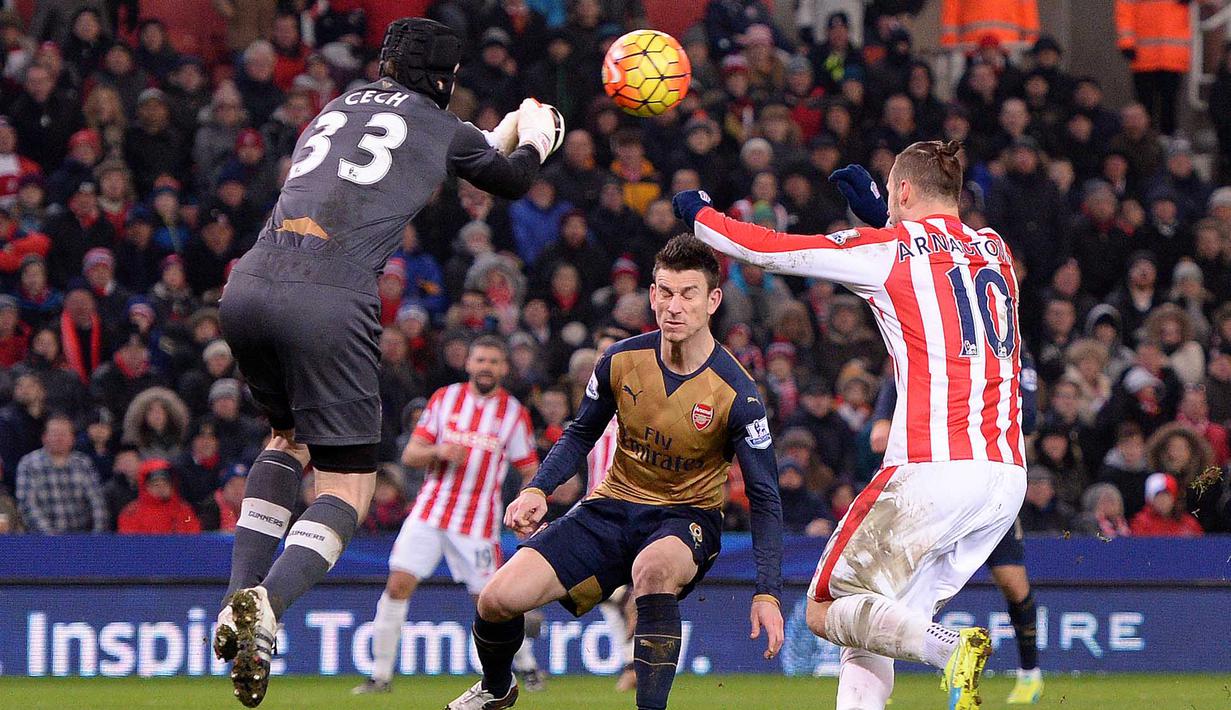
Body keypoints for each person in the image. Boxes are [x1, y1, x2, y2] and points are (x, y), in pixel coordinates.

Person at [212, 17, 563, 708]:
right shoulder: (446, 127)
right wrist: (537, 135)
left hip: (248, 283)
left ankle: (235, 602)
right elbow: (506, 178)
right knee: (347, 489)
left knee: (285, 439)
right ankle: (268, 606)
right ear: (446, 78)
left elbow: (407, 159)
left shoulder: (335, 107)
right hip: (329, 297)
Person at [675, 139, 1026, 710]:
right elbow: (940, 258)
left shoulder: (889, 247)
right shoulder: (996, 249)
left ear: (905, 191)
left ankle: (948, 649)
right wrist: (884, 215)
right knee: (873, 621)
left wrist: (702, 218)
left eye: (892, 193)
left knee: (825, 607)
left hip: (931, 469)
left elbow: (775, 250)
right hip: (1004, 477)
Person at [444, 236, 785, 710]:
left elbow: (766, 499)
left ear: (713, 301)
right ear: (651, 295)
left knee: (652, 570)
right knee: (496, 600)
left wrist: (767, 591)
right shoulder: (619, 360)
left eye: (688, 294)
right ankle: (497, 689)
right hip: (611, 507)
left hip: (685, 518)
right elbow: (581, 433)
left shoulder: (738, 394)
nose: (674, 305)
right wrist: (539, 488)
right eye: (665, 292)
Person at [352, 336, 539, 695]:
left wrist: (527, 504)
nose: (486, 367)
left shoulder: (513, 413)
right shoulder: (445, 399)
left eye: (494, 361)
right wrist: (440, 450)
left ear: (503, 368)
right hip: (431, 511)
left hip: (478, 521)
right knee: (398, 584)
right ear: (468, 363)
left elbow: (529, 467)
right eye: (481, 359)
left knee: (492, 601)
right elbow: (410, 456)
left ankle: (527, 667)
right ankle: (380, 675)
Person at [15, 414, 108, 534]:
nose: (59, 438)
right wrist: (53, 539)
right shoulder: (28, 464)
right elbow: (27, 506)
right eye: (55, 433)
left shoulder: (84, 463)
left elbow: (97, 502)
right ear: (44, 437)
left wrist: (97, 536)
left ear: (73, 438)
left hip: (82, 539)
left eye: (64, 434)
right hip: (43, 541)